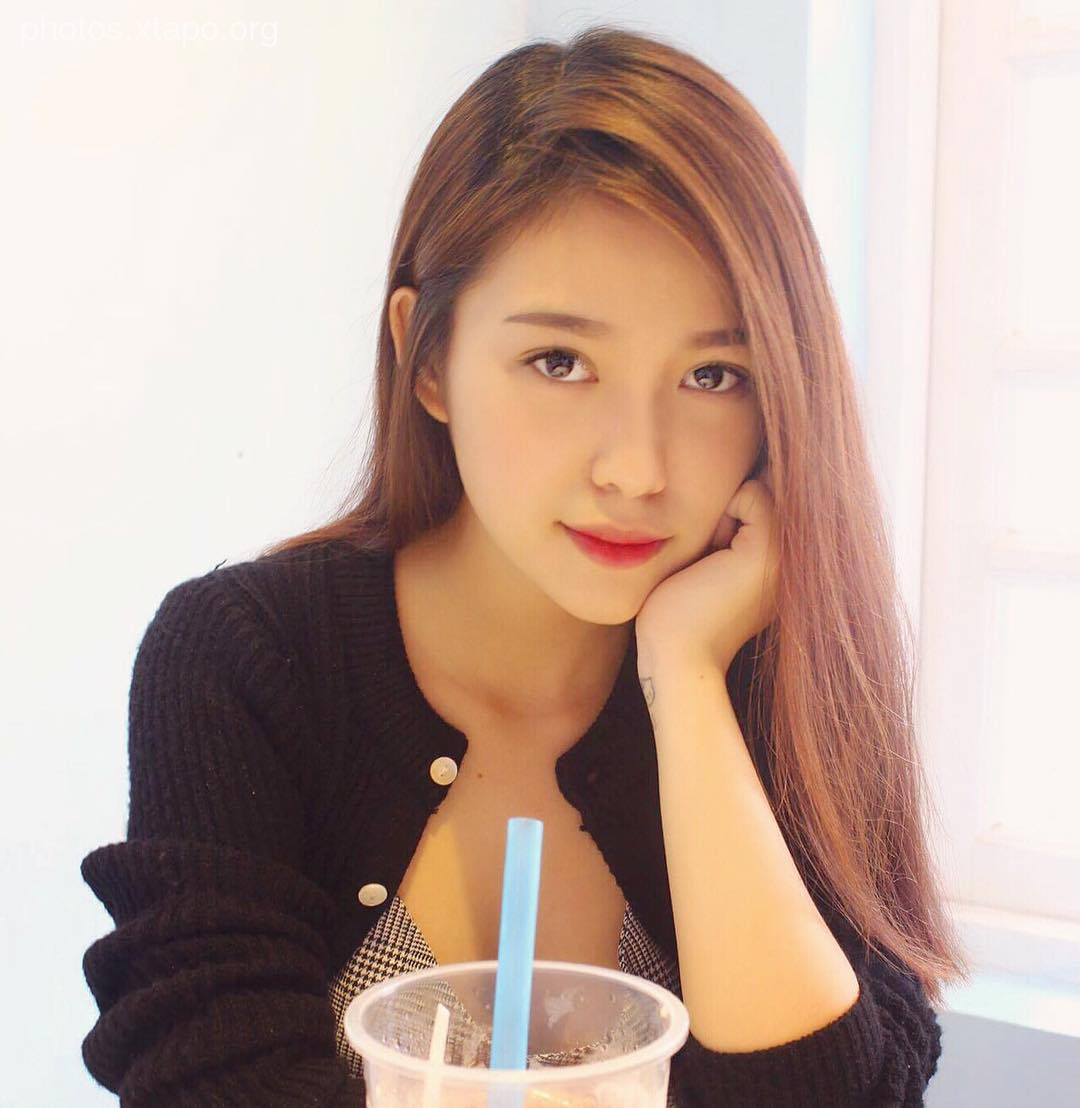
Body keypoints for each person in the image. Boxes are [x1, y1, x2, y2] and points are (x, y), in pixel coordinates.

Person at [79, 24, 972, 1107]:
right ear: (430, 358)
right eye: (560, 361)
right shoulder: (247, 661)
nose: (638, 469)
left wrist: (688, 683)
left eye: (713, 375)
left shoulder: (793, 673)